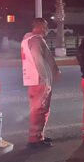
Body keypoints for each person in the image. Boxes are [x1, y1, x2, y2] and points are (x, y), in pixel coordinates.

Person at [21, 18, 60, 147]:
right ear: (40, 26)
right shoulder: (36, 40)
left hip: (33, 80)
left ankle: (38, 136)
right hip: (40, 81)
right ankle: (35, 140)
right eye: (45, 26)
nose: (47, 29)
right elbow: (38, 60)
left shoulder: (26, 40)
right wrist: (46, 80)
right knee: (41, 109)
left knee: (37, 109)